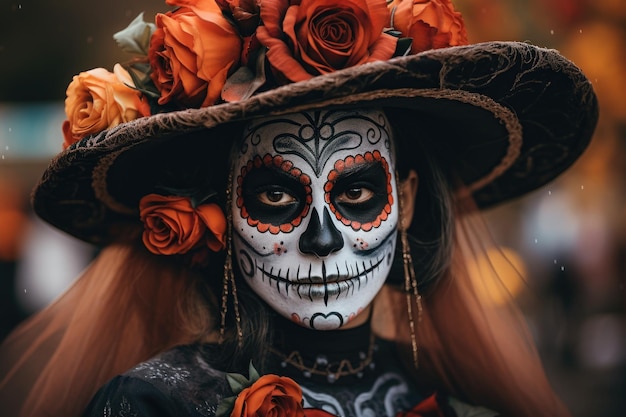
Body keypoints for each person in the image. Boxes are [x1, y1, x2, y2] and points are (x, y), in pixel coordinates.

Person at [0, 0, 598, 416]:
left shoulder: (454, 401)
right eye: (276, 195)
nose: (322, 240)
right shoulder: (155, 405)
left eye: (358, 192)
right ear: (222, 213)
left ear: (407, 201)